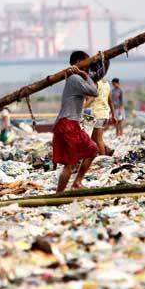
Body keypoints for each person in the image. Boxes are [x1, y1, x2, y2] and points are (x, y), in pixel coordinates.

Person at [53, 51, 102, 192]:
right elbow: (94, 91)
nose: (88, 68)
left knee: (92, 150)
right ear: (79, 63)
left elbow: (91, 93)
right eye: (86, 63)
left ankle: (77, 183)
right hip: (67, 124)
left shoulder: (74, 78)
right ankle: (59, 194)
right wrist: (85, 75)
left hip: (71, 124)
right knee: (70, 163)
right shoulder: (75, 78)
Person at [89, 78, 116, 156]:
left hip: (98, 114)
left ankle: (103, 158)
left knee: (98, 139)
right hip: (105, 114)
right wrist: (113, 115)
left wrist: (83, 107)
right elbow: (110, 101)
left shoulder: (95, 84)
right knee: (93, 139)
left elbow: (91, 98)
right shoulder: (107, 84)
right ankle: (107, 150)